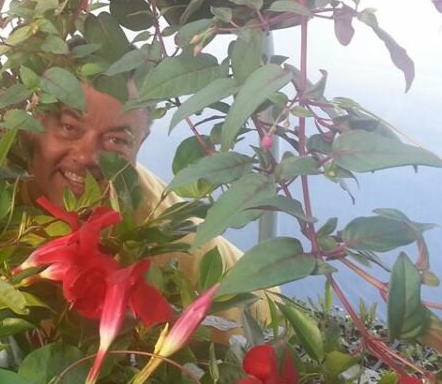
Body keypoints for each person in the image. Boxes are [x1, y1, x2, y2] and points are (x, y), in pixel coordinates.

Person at [20, 81, 273, 336]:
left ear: (141, 143)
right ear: (34, 116)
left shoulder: (158, 237)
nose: (86, 156)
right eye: (69, 127)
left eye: (115, 141)